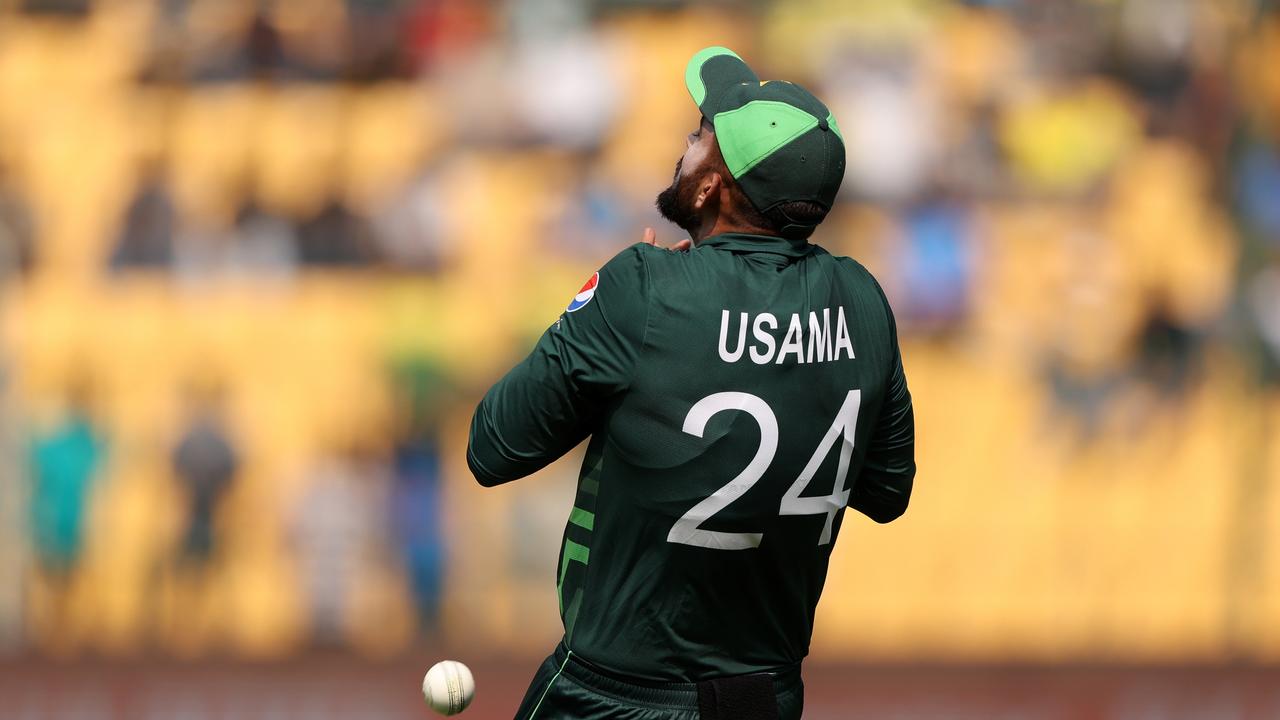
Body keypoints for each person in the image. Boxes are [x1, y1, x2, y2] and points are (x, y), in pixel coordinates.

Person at [468, 47, 916, 720]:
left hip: (609, 699)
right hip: (762, 700)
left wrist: (602, 306)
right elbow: (885, 492)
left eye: (701, 133)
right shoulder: (863, 299)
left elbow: (494, 446)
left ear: (712, 188)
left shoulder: (642, 290)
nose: (686, 141)